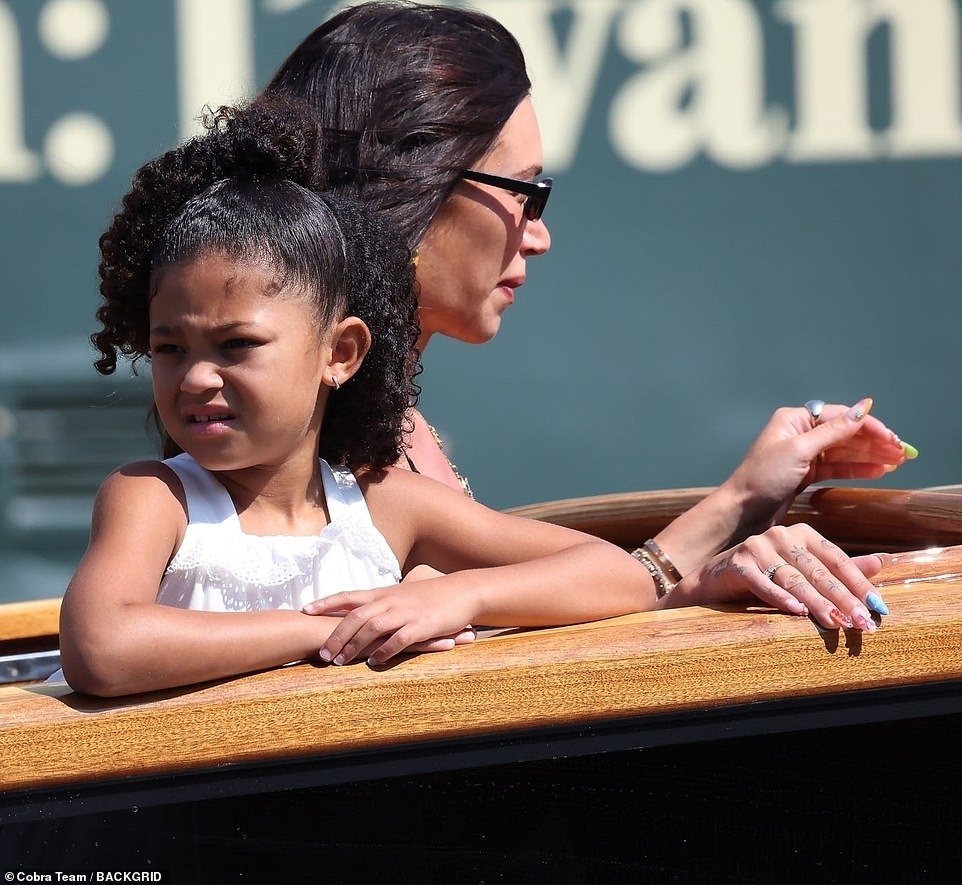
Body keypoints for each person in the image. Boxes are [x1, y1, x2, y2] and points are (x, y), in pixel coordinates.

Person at [259, 0, 913, 633]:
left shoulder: (375, 413)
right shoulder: (305, 434)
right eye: (527, 193)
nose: (539, 237)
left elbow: (606, 585)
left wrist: (744, 498)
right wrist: (706, 565)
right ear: (411, 183)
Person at [58, 101, 683, 698]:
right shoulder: (154, 499)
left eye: (236, 344)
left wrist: (458, 596)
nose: (196, 378)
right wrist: (318, 632)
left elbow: (618, 575)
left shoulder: (385, 505)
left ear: (341, 354)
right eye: (170, 349)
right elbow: (102, 647)